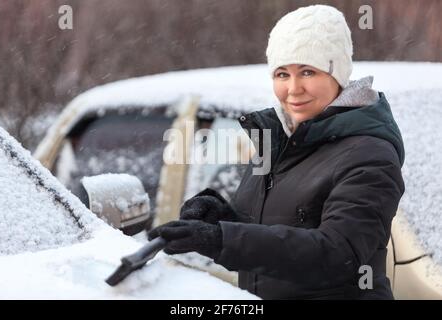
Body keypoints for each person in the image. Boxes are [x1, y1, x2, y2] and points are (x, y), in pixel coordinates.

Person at [148, 4, 405, 300]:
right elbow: (280, 233)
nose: (293, 89)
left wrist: (223, 239)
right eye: (282, 74)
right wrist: (221, 220)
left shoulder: (369, 154)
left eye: (308, 71)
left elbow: (338, 253)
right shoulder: (280, 140)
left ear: (339, 74)